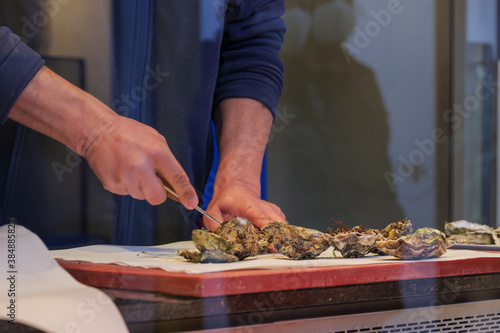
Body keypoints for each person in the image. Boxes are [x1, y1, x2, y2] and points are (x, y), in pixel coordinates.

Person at [0, 0, 286, 247]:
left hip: (166, 253)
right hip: (19, 249)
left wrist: (239, 180)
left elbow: (249, 39)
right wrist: (93, 130)